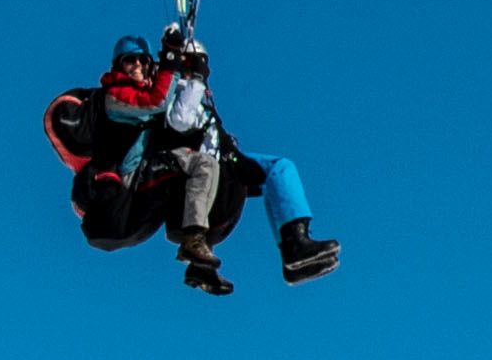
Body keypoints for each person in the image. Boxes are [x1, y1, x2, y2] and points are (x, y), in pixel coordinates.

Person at [39, 26, 338, 293]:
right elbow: (174, 117)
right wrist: (180, 68)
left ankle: (295, 248)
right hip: (138, 178)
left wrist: (189, 73)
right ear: (119, 65)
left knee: (279, 168)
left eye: (144, 61)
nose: (139, 66)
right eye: (131, 61)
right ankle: (195, 245)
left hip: (209, 160)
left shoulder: (175, 88)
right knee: (201, 168)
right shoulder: (118, 98)